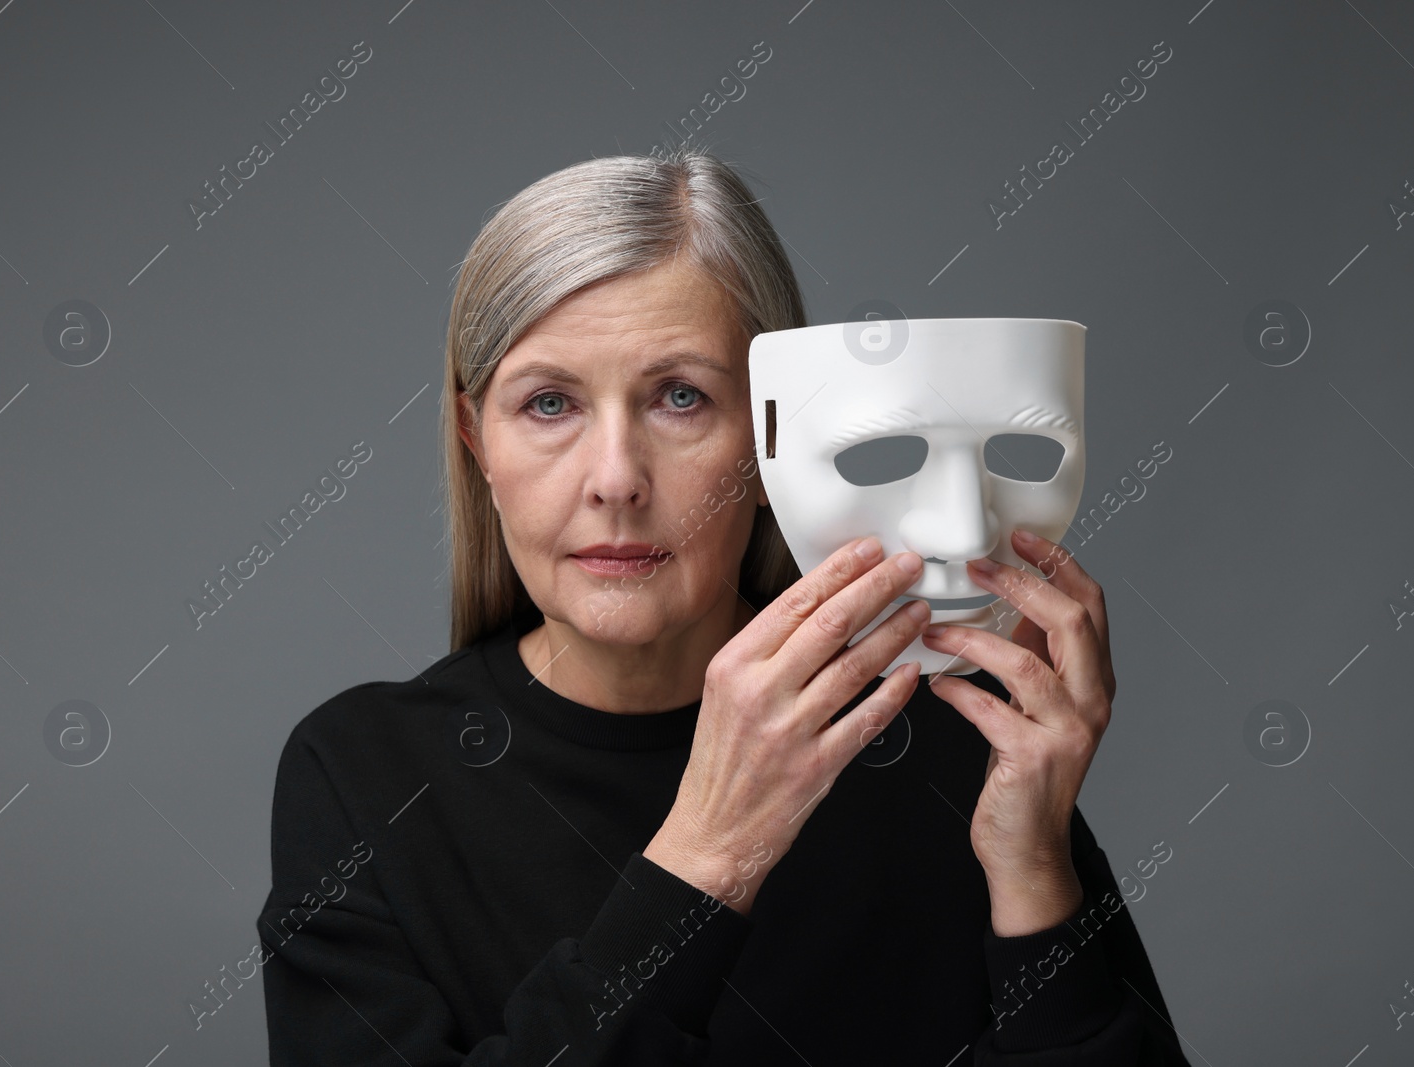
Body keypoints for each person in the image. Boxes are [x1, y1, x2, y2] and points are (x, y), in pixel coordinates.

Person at [256, 147, 1191, 1064]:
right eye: (549, 404)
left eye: (680, 396)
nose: (616, 479)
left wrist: (1033, 873)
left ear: (773, 438)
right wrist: (708, 852)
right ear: (475, 443)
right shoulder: (361, 776)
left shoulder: (957, 746)